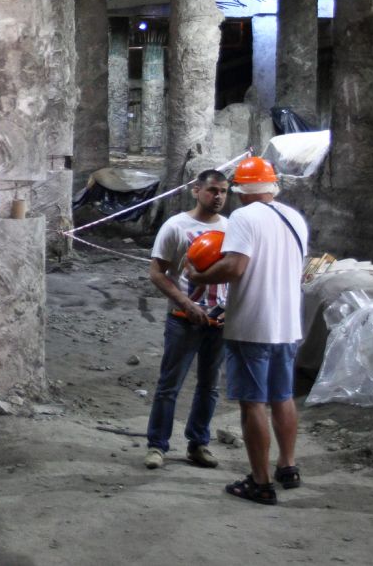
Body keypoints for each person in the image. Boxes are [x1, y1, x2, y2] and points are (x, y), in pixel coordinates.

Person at [188, 156, 308, 506]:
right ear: (272, 186)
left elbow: (235, 267)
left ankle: (260, 482)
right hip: (287, 324)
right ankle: (287, 466)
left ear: (241, 191)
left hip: (252, 324)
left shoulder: (244, 217)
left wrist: (198, 275)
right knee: (282, 397)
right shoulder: (294, 217)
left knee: (252, 403)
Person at [143, 169, 230, 471]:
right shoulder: (176, 226)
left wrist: (230, 309)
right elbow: (157, 273)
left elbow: (237, 272)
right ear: (196, 190)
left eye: (223, 191)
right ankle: (157, 445)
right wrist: (185, 303)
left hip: (218, 320)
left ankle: (199, 443)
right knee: (170, 385)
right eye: (212, 190)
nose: (218, 196)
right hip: (182, 319)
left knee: (210, 386)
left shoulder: (232, 229)